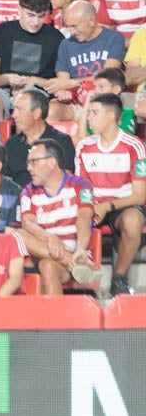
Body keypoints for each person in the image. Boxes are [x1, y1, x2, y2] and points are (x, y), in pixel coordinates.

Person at [75, 93, 146, 296]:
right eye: (88, 113)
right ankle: (82, 274)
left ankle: (119, 280)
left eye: (94, 113)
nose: (89, 118)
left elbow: (140, 196)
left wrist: (107, 206)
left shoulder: (134, 146)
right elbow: (83, 189)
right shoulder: (84, 146)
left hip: (123, 205)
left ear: (111, 116)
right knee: (77, 216)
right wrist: (90, 208)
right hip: (93, 206)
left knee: (132, 221)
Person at [21, 139, 103, 294]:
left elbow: (85, 218)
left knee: (47, 265)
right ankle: (73, 262)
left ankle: (74, 260)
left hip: (73, 253)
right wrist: (49, 237)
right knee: (14, 234)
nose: (28, 168)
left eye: (33, 162)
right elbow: (27, 223)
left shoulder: (81, 185)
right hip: (45, 252)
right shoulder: (28, 191)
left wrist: (80, 249)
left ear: (52, 162)